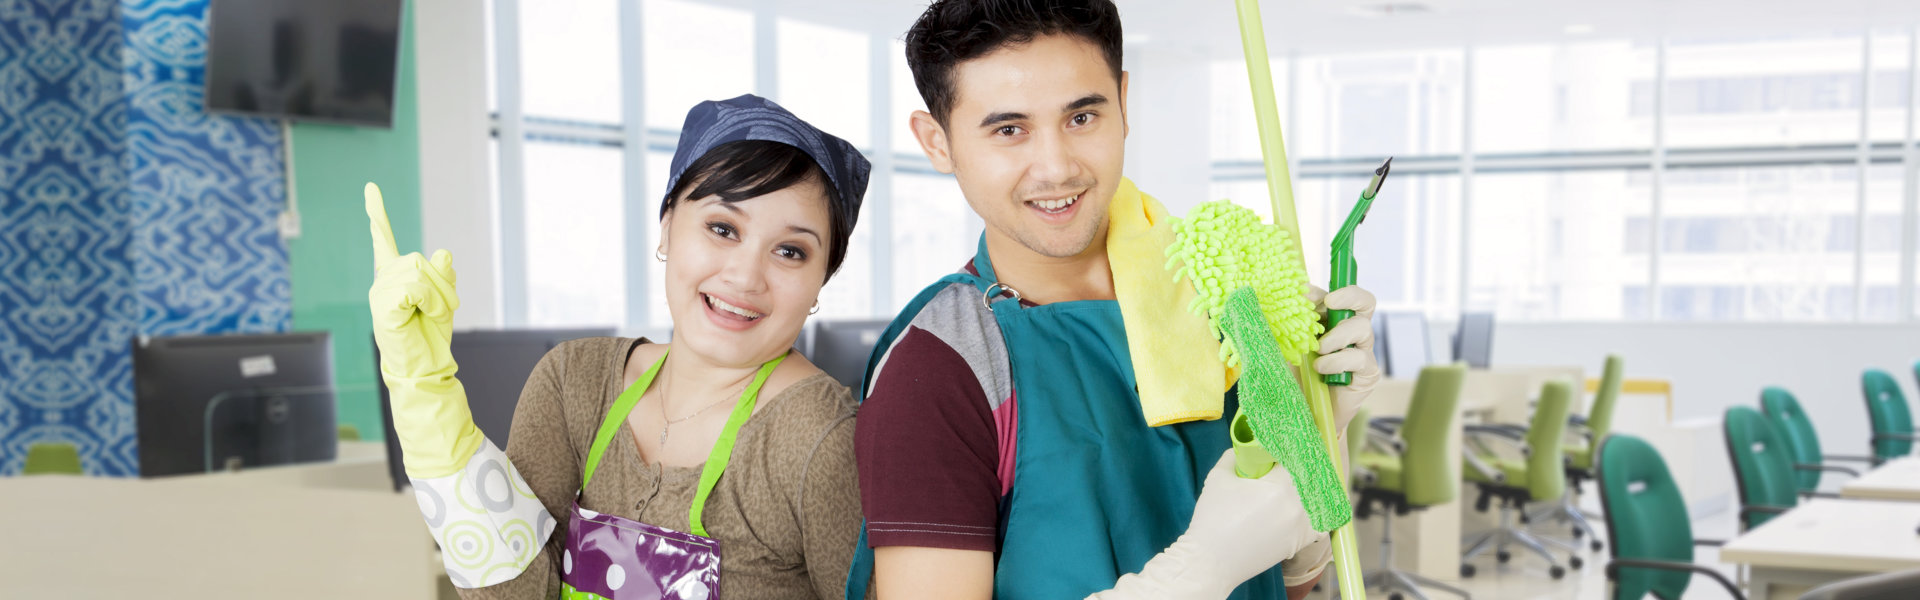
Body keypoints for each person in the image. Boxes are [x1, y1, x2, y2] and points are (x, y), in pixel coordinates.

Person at [849, 2, 1384, 599]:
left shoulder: (1216, 296)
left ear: (1123, 104)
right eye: (1009, 130)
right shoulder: (938, 370)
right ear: (937, 142)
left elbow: (1284, 583)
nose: (1056, 167)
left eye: (1081, 117)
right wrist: (1198, 571)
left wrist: (1313, 434)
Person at [369, 94, 873, 599]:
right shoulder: (575, 384)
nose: (744, 276)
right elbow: (520, 591)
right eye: (722, 228)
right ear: (668, 225)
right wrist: (427, 401)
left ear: (819, 281)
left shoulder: (820, 438)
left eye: (790, 251)